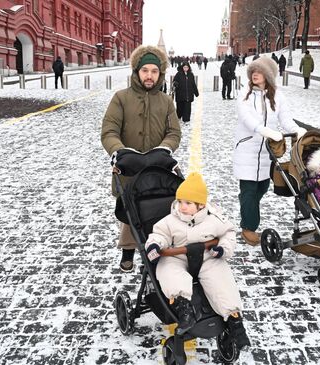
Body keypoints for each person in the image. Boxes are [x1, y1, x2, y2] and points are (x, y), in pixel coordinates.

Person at [145, 172, 251, 351]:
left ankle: (235, 321)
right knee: (168, 270)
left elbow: (228, 233)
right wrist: (155, 245)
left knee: (221, 278)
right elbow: (159, 234)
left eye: (188, 203)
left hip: (207, 257)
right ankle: (184, 309)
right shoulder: (170, 220)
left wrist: (223, 248)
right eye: (180, 202)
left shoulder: (214, 219)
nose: (182, 207)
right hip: (177, 257)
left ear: (201, 205)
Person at [101, 45, 182, 272]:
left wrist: (165, 148)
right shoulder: (121, 98)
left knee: (158, 205)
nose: (149, 75)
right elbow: (109, 130)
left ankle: (158, 247)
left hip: (157, 165)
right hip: (130, 165)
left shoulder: (166, 101)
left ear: (160, 74)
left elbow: (174, 132)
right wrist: (119, 151)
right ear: (137, 71)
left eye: (154, 71)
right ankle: (128, 249)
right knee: (130, 209)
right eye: (145, 70)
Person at [232, 57, 306, 245]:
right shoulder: (244, 93)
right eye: (253, 71)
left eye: (260, 71)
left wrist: (296, 130)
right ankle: (248, 226)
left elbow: (286, 119)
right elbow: (246, 118)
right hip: (248, 148)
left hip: (268, 152)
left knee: (262, 187)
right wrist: (263, 130)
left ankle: (248, 209)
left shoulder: (278, 96)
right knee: (249, 190)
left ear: (269, 75)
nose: (255, 74)